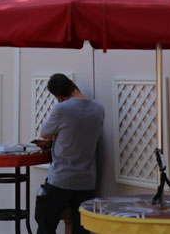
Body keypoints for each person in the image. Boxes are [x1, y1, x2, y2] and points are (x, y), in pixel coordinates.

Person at [32, 73, 104, 234]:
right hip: (87, 181)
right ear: (72, 83)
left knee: (45, 222)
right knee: (82, 228)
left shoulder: (61, 109)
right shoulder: (99, 109)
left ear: (59, 96)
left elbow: (44, 133)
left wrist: (53, 137)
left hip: (61, 179)